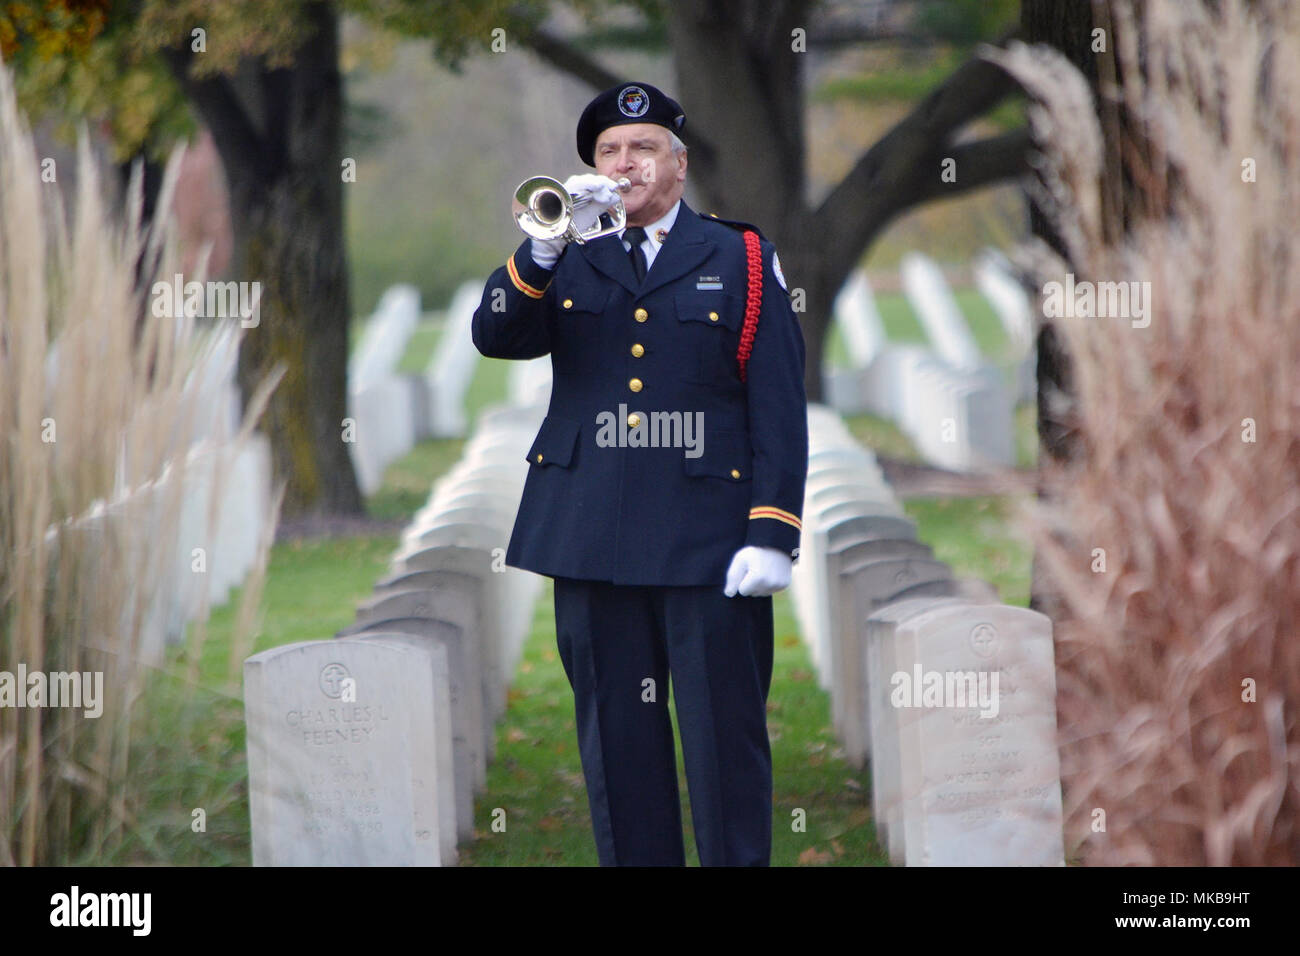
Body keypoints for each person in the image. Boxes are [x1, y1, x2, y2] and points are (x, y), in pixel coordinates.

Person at [472, 81, 808, 866]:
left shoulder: (743, 258)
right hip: (591, 536)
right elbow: (495, 335)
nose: (625, 164)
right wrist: (541, 249)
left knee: (726, 745)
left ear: (679, 164)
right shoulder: (565, 253)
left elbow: (778, 405)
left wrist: (773, 533)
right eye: (609, 152)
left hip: (708, 544)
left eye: (644, 148)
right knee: (619, 750)